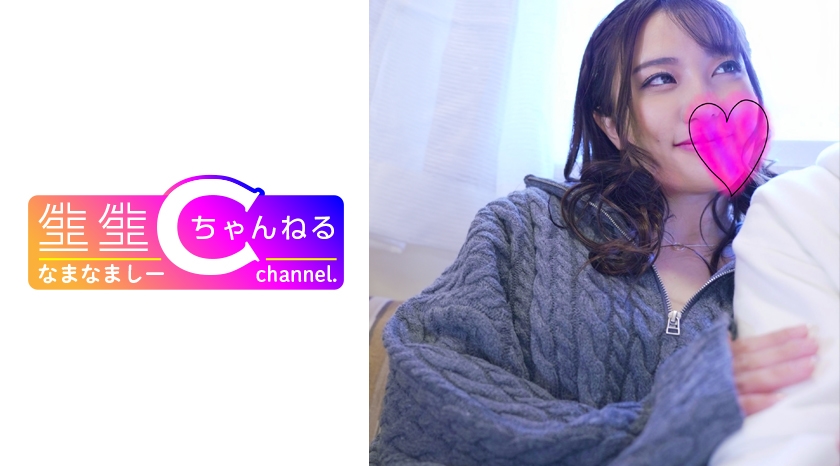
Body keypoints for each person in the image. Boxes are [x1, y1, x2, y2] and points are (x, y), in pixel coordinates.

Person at [369, 0, 818, 464]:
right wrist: (668, 419)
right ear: (612, 125)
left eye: (725, 67)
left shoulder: (801, 248)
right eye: (661, 79)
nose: (707, 101)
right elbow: (428, 402)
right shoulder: (523, 231)